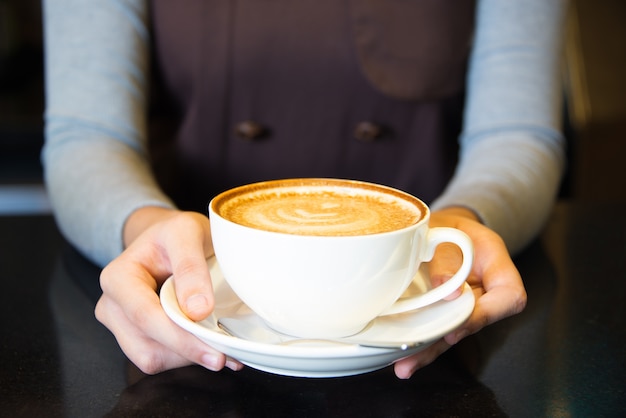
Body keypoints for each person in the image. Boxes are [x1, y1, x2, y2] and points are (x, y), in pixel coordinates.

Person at [42, 0, 567, 379]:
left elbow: (516, 133)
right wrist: (151, 233)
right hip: (206, 313)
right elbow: (88, 136)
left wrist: (461, 226)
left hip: (420, 302)